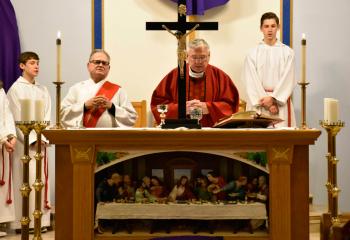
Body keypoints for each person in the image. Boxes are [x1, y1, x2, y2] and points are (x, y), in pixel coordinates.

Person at [7, 52, 52, 230]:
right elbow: (16, 117)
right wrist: (32, 139)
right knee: (26, 179)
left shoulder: (43, 89)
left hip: (41, 141)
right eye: (32, 63)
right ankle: (24, 222)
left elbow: (47, 114)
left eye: (38, 63)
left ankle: (42, 221)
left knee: (40, 180)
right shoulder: (16, 89)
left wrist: (44, 136)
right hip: (24, 144)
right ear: (22, 66)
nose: (36, 66)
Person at [151, 38, 240, 127]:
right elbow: (158, 106)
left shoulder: (220, 77)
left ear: (209, 56)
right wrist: (181, 109)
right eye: (194, 57)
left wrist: (209, 108)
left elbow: (231, 105)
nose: (198, 62)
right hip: (180, 133)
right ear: (187, 56)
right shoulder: (174, 76)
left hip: (212, 133)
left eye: (202, 57)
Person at [242, 12, 296, 127]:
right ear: (261, 28)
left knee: (282, 142)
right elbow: (250, 80)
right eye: (266, 26)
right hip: (259, 104)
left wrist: (274, 99)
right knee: (259, 141)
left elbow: (288, 78)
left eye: (273, 26)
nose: (270, 30)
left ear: (278, 27)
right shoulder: (252, 53)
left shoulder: (288, 52)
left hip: (280, 104)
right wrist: (268, 103)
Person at [60, 49, 137, 128]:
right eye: (97, 62)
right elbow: (62, 113)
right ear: (88, 65)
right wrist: (84, 106)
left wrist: (112, 107)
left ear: (108, 68)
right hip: (82, 137)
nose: (100, 65)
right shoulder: (76, 89)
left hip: (110, 137)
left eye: (104, 63)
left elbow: (131, 117)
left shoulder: (119, 91)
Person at [0, 83, 17, 237]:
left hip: (3, 143)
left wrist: (12, 135)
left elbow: (7, 115)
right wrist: (2, 138)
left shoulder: (0, 91)